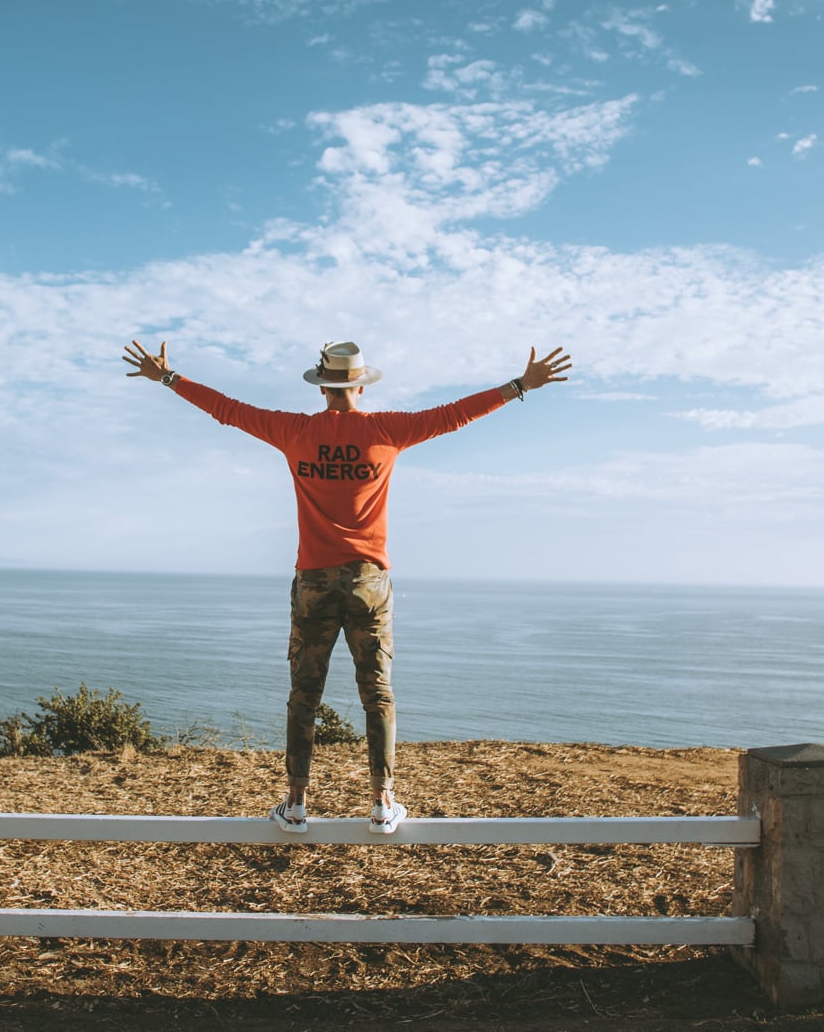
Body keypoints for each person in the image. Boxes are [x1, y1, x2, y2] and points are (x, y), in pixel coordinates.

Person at [121, 337, 573, 834]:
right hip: (369, 582)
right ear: (359, 384)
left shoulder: (293, 431)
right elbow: (454, 415)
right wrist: (519, 386)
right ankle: (382, 803)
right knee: (377, 693)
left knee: (304, 695)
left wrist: (168, 378)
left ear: (323, 388)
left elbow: (227, 410)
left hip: (313, 581)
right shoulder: (387, 430)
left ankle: (295, 804)